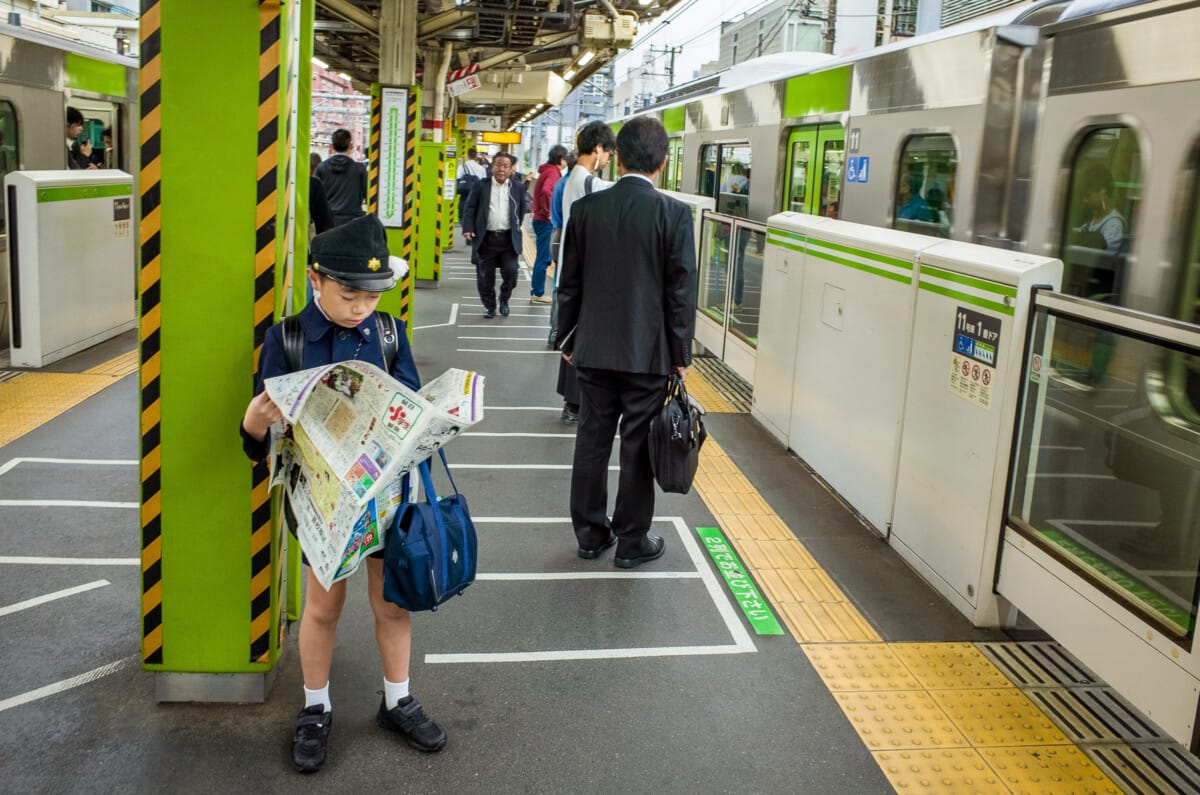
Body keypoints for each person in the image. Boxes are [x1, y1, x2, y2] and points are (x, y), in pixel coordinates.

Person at [240, 214, 446, 774]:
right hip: (324, 505)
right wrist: (255, 424)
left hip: (384, 494)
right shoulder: (285, 338)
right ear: (315, 280)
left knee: (392, 600)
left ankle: (397, 699)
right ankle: (314, 707)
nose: (361, 308)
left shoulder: (389, 333)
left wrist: (428, 421)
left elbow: (407, 401)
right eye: (349, 294)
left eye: (371, 297)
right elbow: (259, 443)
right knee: (324, 605)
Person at [555, 115, 697, 569]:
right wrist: (681, 356)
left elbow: (569, 283)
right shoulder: (674, 215)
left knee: (591, 441)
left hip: (592, 349)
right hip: (648, 354)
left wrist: (567, 336)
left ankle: (590, 536)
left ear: (616, 158)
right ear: (663, 161)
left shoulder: (586, 211)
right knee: (637, 445)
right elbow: (681, 294)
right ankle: (632, 541)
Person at [555, 122, 616, 423]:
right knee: (581, 336)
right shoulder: (588, 181)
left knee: (573, 334)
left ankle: (572, 402)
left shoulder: (573, 178)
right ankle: (575, 404)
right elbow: (622, 191)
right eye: (608, 155)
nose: (608, 162)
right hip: (582, 268)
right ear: (597, 149)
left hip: (572, 264)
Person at [461, 151, 527, 319]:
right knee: (485, 277)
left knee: (511, 273)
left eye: (506, 166)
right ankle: (490, 306)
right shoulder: (481, 185)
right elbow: (469, 208)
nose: (501, 169)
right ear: (492, 167)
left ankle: (504, 299)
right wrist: (468, 227)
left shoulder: (517, 187)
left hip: (508, 239)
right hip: (486, 239)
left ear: (511, 169)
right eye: (498, 165)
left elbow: (520, 211)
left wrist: (514, 227)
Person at [530, 144, 568, 304]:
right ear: (561, 159)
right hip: (544, 221)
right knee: (544, 257)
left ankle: (536, 291)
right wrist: (549, 213)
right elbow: (547, 191)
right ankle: (537, 293)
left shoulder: (546, 171)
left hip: (539, 219)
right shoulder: (553, 173)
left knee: (542, 256)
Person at [313, 128, 367, 228]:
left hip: (327, 222)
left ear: (332, 146)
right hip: (353, 222)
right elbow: (368, 195)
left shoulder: (321, 168)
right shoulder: (359, 169)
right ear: (350, 146)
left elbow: (313, 196)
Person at [1076, 163, 1125, 254]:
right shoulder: (1093, 217)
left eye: (1088, 195)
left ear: (1102, 193)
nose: (1085, 200)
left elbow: (1105, 258)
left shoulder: (1114, 224)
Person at [456, 147, 487, 224]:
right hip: (477, 196)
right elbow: (484, 182)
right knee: (475, 214)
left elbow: (458, 179)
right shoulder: (481, 168)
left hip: (465, 195)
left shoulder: (462, 167)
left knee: (462, 214)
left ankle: (466, 230)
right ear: (476, 156)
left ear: (467, 155)